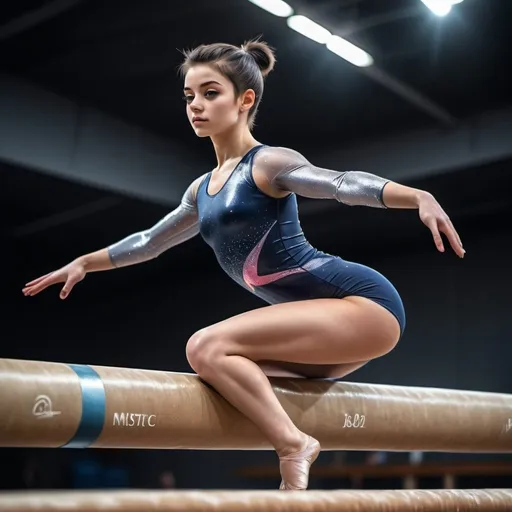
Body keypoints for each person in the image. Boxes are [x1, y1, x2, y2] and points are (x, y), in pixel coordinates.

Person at [22, 38, 465, 491]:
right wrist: (84, 263)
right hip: (325, 334)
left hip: (364, 304)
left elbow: (339, 183)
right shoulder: (201, 190)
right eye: (189, 96)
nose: (196, 105)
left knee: (205, 347)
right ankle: (293, 443)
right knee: (229, 379)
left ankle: (293, 444)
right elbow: (150, 241)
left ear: (244, 99)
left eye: (210, 92)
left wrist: (416, 197)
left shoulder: (267, 163)